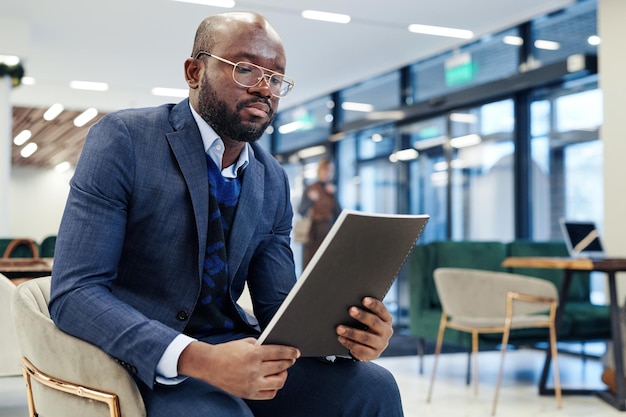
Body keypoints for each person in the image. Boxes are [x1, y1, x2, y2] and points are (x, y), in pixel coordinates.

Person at [49, 11, 404, 417]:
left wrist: (346, 337)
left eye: (275, 77)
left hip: (233, 345)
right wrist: (200, 360)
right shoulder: (124, 139)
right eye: (245, 68)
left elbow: (278, 304)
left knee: (372, 388)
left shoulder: (271, 178)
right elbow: (74, 293)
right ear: (194, 72)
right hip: (142, 358)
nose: (263, 88)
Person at [298, 157, 341, 266]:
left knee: (327, 264)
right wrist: (311, 200)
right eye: (324, 170)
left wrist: (333, 195)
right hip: (314, 233)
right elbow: (301, 210)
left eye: (329, 171)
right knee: (311, 263)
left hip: (328, 231)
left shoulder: (330, 189)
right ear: (319, 171)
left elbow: (338, 212)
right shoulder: (311, 188)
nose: (326, 173)